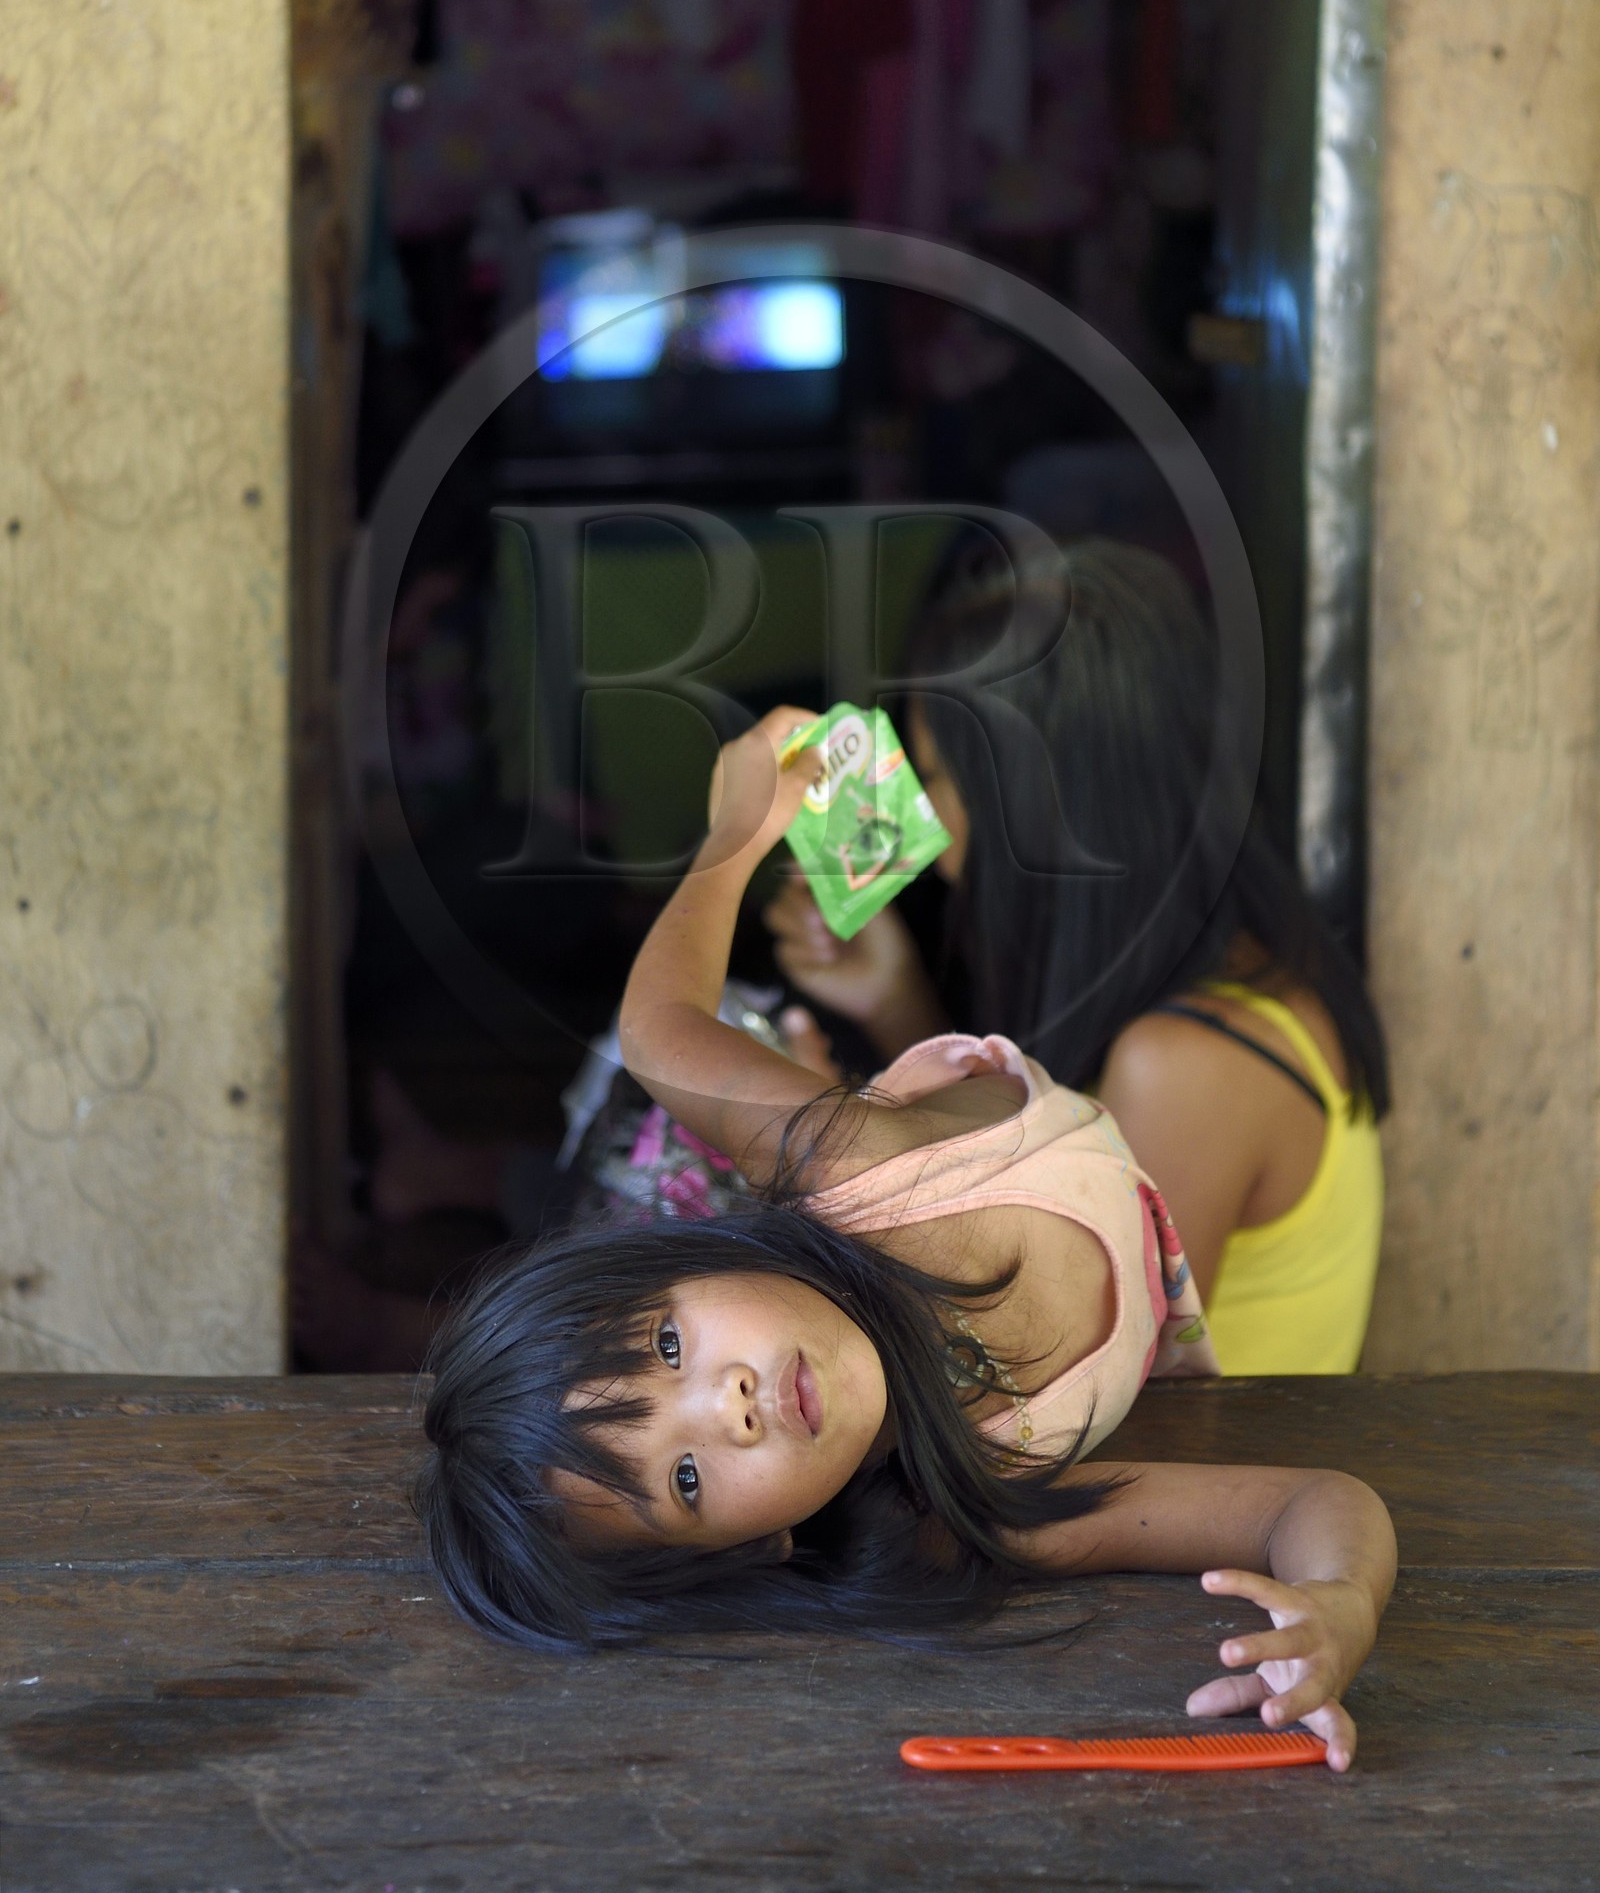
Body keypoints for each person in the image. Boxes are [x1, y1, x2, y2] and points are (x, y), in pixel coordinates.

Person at [418, 707, 1396, 1765]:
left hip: (956, 1132)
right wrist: (1337, 1605)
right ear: (763, 1544)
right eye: (687, 1480)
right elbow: (1307, 1500)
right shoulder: (981, 1503)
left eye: (665, 1347)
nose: (728, 1408)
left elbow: (658, 1037)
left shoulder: (850, 1161)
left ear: (693, 1256)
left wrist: (735, 835)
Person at [765, 540, 1389, 1374]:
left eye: (943, 782)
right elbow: (1045, 1164)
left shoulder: (1185, 1067)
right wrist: (897, 998)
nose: (933, 834)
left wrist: (829, 1144)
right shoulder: (1244, 963)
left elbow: (1048, 1367)